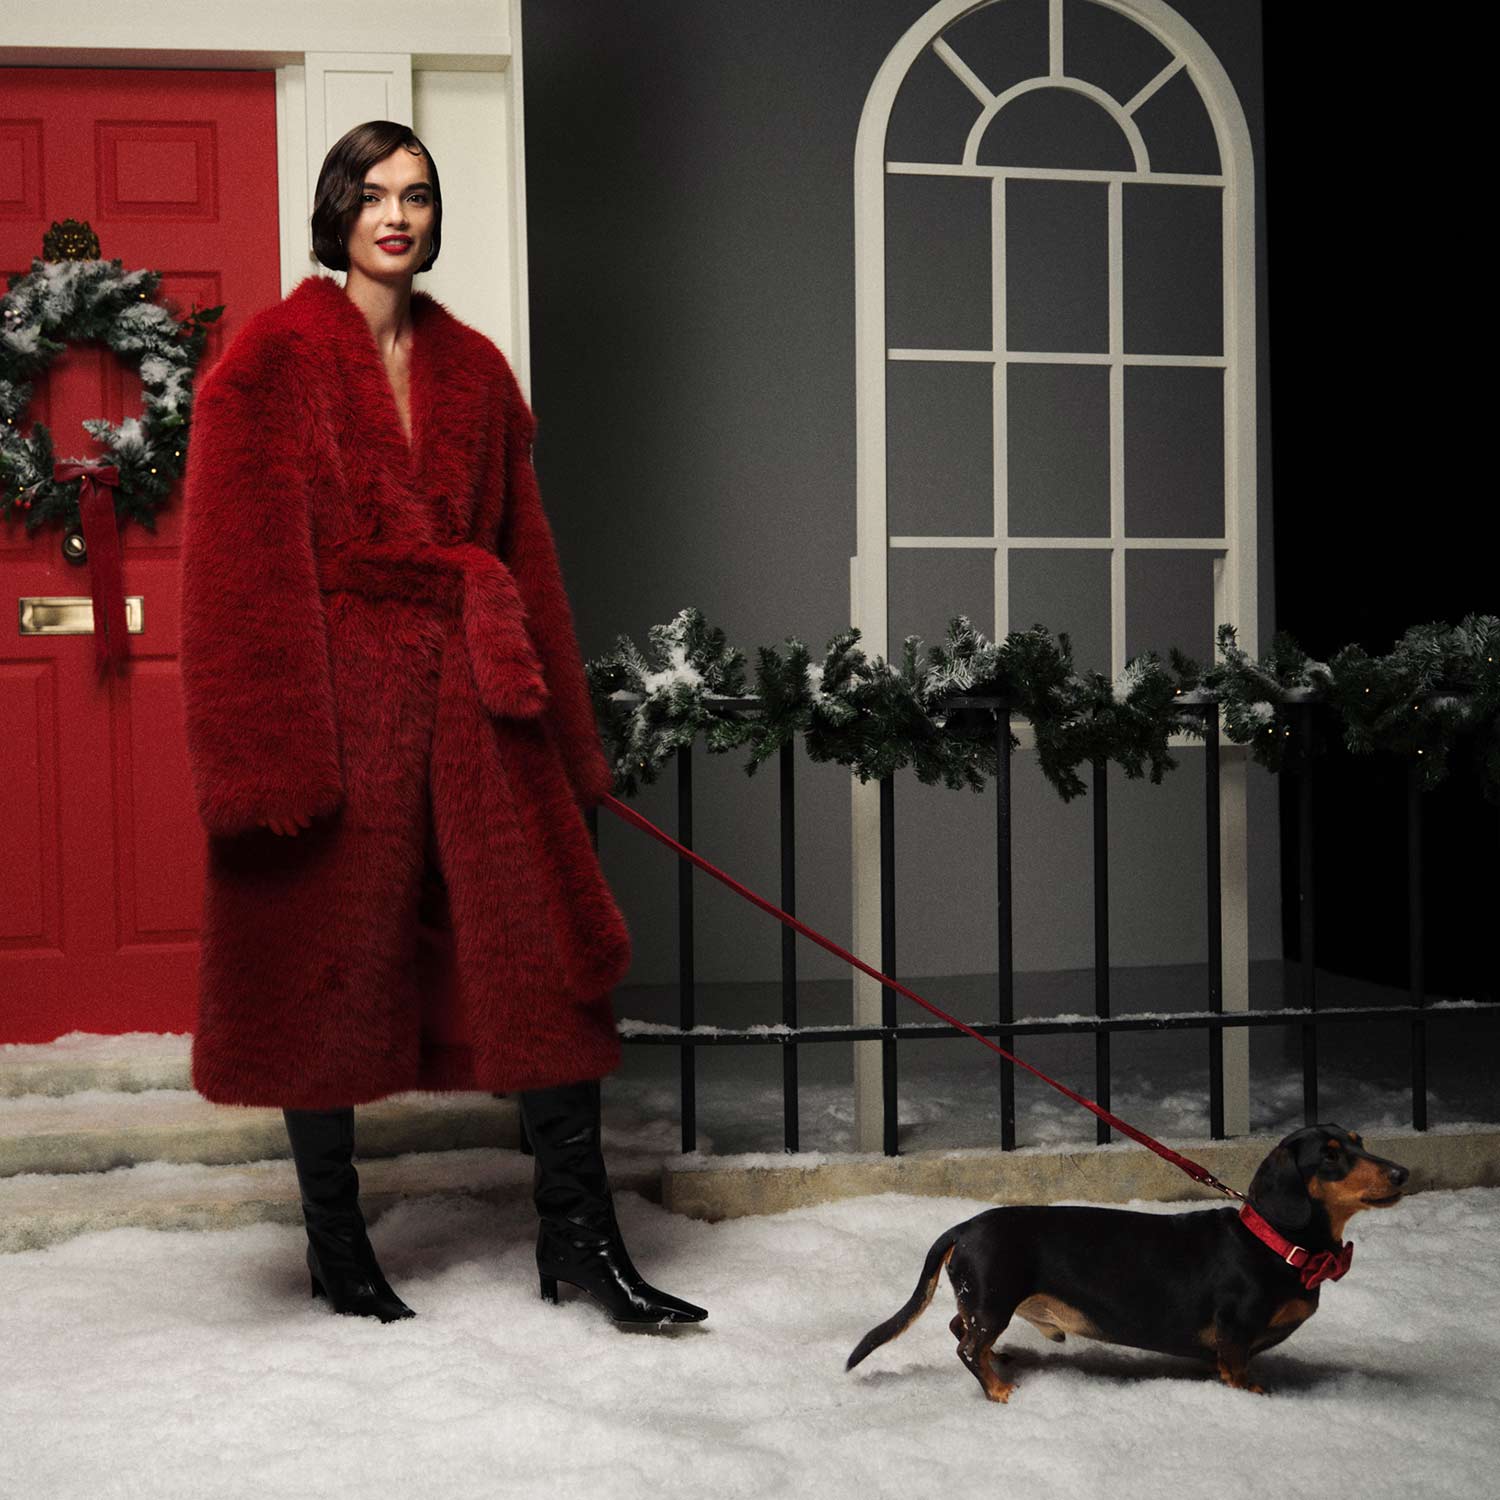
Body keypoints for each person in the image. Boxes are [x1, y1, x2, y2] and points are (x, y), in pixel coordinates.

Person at [178, 120, 705, 1329]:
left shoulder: (475, 370)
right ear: (339, 212)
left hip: (478, 699)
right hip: (341, 705)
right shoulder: (267, 363)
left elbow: (528, 560)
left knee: (543, 964)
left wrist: (568, 740)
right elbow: (238, 582)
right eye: (373, 196)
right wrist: (270, 761)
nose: (396, 216)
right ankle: (337, 1242)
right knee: (326, 970)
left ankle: (581, 1238)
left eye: (416, 195)